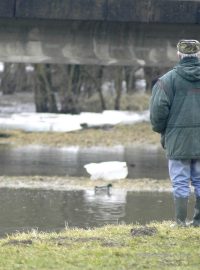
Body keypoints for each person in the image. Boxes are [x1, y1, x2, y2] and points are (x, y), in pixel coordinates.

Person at [150, 39, 200, 227]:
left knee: (180, 181)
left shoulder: (166, 81)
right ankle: (198, 222)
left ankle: (180, 222)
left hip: (178, 140)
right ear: (198, 55)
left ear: (179, 55)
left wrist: (163, 131)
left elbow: (157, 114)